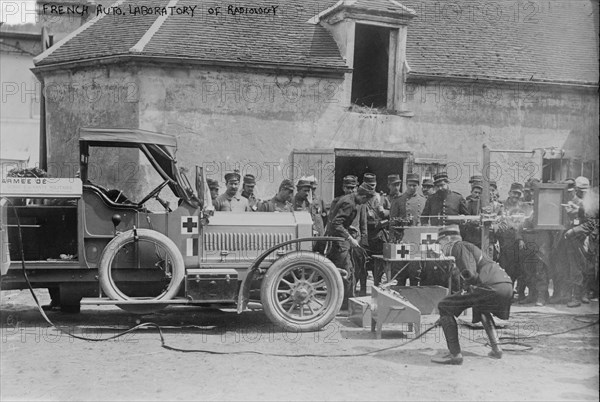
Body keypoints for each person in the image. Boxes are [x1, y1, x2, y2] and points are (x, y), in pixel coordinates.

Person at [432, 225, 512, 365]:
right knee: (481, 306)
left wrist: (448, 312)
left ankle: (455, 355)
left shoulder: (458, 246)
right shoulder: (467, 246)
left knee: (444, 306)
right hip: (505, 284)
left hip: (490, 284)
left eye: (440, 243)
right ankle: (496, 348)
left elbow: (469, 273)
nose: (440, 247)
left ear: (449, 239)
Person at [325, 182, 376, 307]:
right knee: (347, 272)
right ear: (364, 197)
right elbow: (336, 223)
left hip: (338, 239)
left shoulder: (349, 199)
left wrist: (349, 227)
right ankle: (346, 305)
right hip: (340, 242)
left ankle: (342, 302)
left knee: (343, 272)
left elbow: (338, 221)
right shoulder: (350, 203)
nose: (363, 204)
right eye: (365, 201)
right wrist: (349, 238)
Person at [563, 176, 593, 307]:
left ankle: (580, 295)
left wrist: (575, 231)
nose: (583, 192)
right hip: (572, 240)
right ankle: (576, 295)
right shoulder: (573, 201)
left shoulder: (590, 204)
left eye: (585, 190)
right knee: (574, 267)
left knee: (583, 267)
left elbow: (591, 223)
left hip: (583, 238)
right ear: (576, 189)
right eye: (581, 190)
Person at [496, 182, 528, 301]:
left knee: (520, 268)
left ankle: (520, 292)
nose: (516, 196)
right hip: (506, 241)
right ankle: (507, 293)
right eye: (514, 193)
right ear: (509, 193)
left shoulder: (523, 206)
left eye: (518, 194)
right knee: (506, 268)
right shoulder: (502, 205)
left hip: (520, 241)